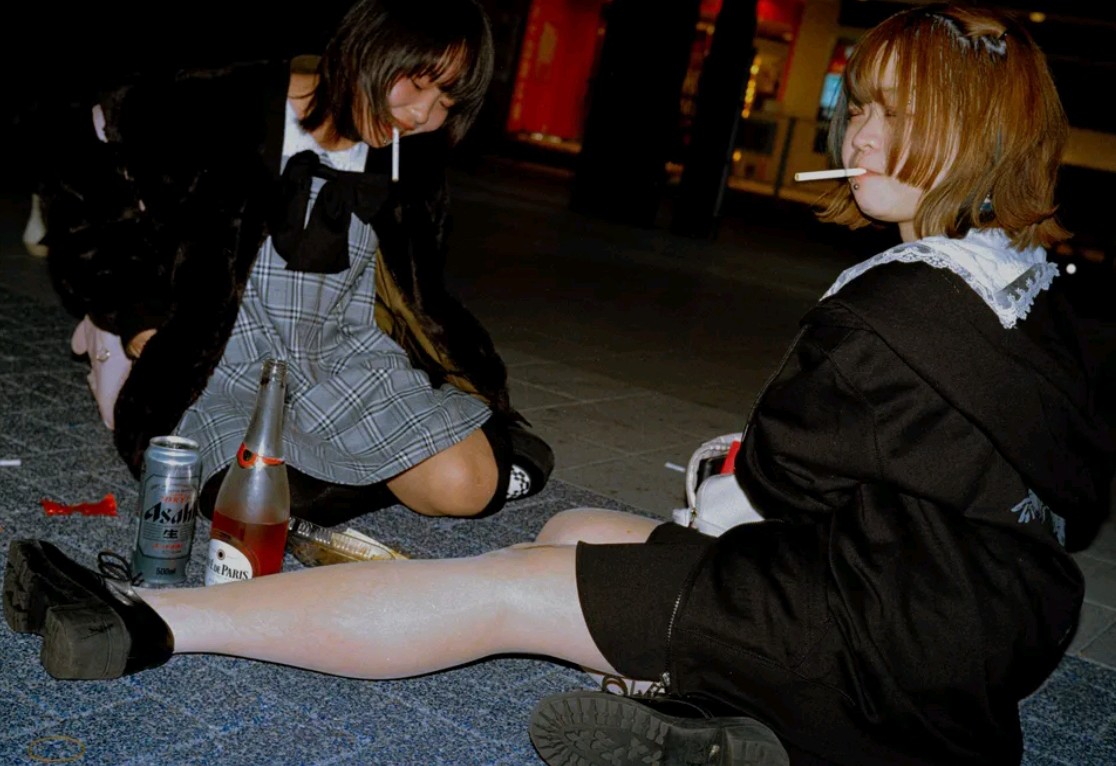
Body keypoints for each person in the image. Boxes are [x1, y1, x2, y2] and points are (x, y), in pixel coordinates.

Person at [4, 4, 1113, 765]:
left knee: (504, 586)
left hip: (864, 630)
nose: (860, 132)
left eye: (892, 113)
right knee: (576, 526)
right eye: (859, 103)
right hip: (978, 619)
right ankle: (725, 713)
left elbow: (769, 489)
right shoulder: (1024, 282)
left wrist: (711, 484)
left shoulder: (889, 310)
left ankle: (156, 622)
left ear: (970, 133)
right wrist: (134, 308)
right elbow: (1060, 494)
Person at [29, 0, 553, 524]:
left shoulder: (408, 156)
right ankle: (380, 466)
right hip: (219, 364)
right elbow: (81, 159)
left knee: (467, 488)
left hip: (344, 358)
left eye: (445, 101)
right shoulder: (224, 102)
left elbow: (421, 290)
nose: (422, 115)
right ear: (367, 45)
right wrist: (136, 312)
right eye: (416, 83)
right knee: (263, 496)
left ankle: (449, 455)